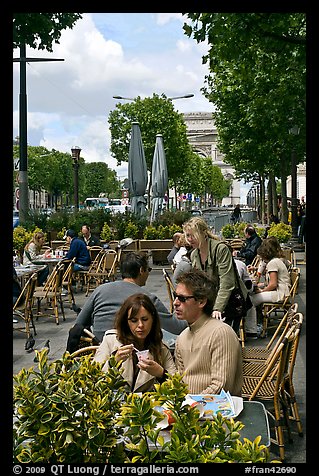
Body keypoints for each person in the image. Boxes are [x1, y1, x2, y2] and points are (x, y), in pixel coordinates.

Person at [74, 251, 187, 343]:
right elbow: (177, 327)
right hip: (133, 353)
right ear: (141, 270)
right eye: (148, 269)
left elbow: (79, 323)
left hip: (99, 349)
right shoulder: (146, 299)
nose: (148, 273)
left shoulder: (100, 290)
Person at [173, 269, 243, 396]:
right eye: (175, 296)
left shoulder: (221, 333)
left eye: (182, 298)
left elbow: (221, 386)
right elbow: (180, 382)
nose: (175, 303)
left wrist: (190, 406)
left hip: (217, 412)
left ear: (201, 302)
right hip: (191, 409)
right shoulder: (182, 338)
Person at [93, 293, 177, 393]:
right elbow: (93, 378)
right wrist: (113, 363)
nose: (140, 325)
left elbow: (177, 386)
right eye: (134, 321)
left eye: (145, 319)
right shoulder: (111, 341)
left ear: (153, 319)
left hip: (146, 406)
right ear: (126, 322)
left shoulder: (161, 348)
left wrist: (161, 373)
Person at [183, 216, 248, 333]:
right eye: (188, 235)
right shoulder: (194, 254)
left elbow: (227, 282)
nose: (190, 239)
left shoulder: (220, 249)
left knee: (225, 338)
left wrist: (218, 308)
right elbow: (198, 283)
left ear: (204, 233)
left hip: (229, 302)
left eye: (193, 235)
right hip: (209, 302)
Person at [245, 236, 292, 338]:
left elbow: (273, 284)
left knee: (251, 300)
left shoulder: (272, 263)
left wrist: (262, 290)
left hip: (280, 294)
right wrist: (263, 286)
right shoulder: (277, 261)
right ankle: (256, 325)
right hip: (284, 292)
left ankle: (251, 329)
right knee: (254, 298)